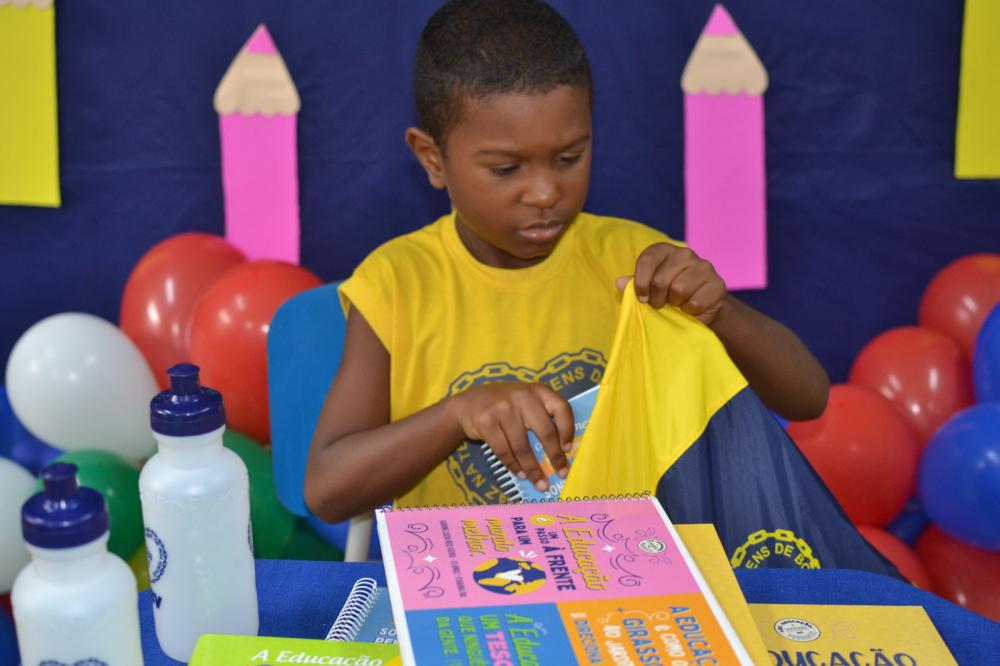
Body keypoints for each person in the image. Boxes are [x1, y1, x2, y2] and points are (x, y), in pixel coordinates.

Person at [305, 0, 829, 523]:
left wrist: (721, 314)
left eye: (569, 158)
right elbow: (328, 490)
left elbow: (808, 397)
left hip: (632, 574)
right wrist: (456, 415)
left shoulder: (635, 262)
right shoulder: (398, 283)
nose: (544, 192)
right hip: (469, 585)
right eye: (507, 168)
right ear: (432, 158)